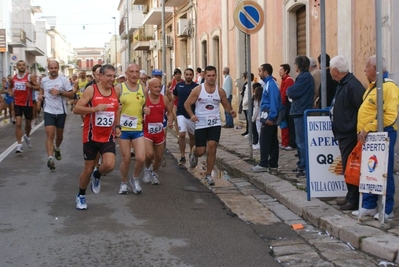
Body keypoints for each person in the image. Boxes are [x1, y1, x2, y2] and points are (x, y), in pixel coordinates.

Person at [352, 55, 399, 219]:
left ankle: (387, 209)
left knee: (384, 170)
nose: (364, 70)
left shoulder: (388, 87)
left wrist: (368, 128)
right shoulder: (373, 87)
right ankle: (369, 205)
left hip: (383, 134)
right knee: (368, 171)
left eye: (367, 67)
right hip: (368, 136)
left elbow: (390, 116)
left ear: (376, 69)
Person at [73, 64, 120, 210]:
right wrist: (94, 109)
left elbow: (117, 110)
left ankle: (98, 174)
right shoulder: (91, 90)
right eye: (109, 76)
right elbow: (76, 109)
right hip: (91, 136)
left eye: (114, 76)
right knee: (87, 169)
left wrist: (117, 126)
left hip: (108, 136)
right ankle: (81, 195)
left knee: (110, 165)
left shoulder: (115, 91)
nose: (112, 79)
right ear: (100, 76)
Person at [184, 65, 236, 185]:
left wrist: (230, 111)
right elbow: (187, 103)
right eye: (209, 76)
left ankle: (208, 174)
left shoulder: (220, 91)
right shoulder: (198, 90)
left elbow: (226, 104)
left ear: (216, 76)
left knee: (212, 147)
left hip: (215, 122)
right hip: (201, 123)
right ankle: (194, 152)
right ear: (204, 76)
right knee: (201, 151)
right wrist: (192, 115)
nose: (211, 78)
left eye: (213, 75)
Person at [328, 55, 365, 211]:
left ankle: (353, 199)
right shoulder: (343, 84)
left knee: (351, 167)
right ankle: (350, 196)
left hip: (349, 133)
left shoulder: (352, 85)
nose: (330, 72)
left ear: (335, 70)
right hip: (343, 132)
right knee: (347, 166)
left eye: (330, 69)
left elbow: (361, 109)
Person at [115, 63, 147, 195]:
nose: (134, 75)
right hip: (123, 129)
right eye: (132, 72)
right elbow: (113, 107)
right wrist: (116, 125)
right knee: (126, 159)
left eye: (137, 72)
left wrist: (146, 110)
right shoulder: (119, 88)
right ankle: (123, 182)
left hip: (137, 127)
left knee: (141, 158)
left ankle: (134, 178)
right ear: (126, 74)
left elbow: (144, 106)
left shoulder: (143, 88)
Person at [39, 60, 75, 170]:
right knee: (50, 135)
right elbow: (41, 88)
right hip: (48, 111)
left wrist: (59, 93)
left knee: (59, 136)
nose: (53, 70)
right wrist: (41, 95)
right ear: (48, 69)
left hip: (61, 112)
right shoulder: (44, 80)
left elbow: (72, 94)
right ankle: (50, 158)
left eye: (55, 68)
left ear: (58, 68)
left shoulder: (63, 80)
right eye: (51, 68)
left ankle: (57, 148)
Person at [251, 64, 283, 172]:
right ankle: (273, 163)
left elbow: (274, 101)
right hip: (266, 114)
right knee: (273, 140)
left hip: (269, 116)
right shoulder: (268, 83)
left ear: (265, 72)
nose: (259, 73)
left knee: (264, 140)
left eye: (260, 71)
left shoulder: (271, 84)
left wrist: (271, 117)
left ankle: (263, 163)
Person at [287, 56, 314, 177]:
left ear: (298, 65)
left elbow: (291, 91)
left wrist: (289, 90)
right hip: (299, 110)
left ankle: (304, 166)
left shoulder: (304, 77)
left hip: (301, 110)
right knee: (299, 141)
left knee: (301, 141)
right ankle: (301, 164)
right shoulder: (302, 77)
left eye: (295, 64)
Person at [143, 78, 173, 184]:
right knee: (149, 154)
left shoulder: (164, 98)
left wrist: (170, 121)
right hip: (147, 132)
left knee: (159, 156)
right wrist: (143, 111)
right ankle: (147, 169)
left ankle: (154, 173)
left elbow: (169, 112)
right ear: (149, 88)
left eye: (159, 86)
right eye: (155, 87)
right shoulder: (144, 99)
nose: (158, 89)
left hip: (159, 132)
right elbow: (137, 112)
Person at [8, 60, 40, 153]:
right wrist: (10, 92)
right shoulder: (13, 78)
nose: (21, 66)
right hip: (17, 103)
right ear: (17, 67)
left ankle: (27, 136)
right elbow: (10, 87)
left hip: (28, 104)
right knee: (18, 123)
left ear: (25, 66)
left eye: (23, 65)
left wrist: (30, 86)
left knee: (28, 124)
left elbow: (38, 87)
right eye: (19, 65)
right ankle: (19, 145)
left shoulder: (30, 77)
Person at [173, 68, 198, 166]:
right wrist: (172, 110)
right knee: (182, 134)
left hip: (192, 115)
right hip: (181, 113)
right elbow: (173, 97)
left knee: (192, 136)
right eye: (187, 74)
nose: (188, 76)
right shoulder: (179, 85)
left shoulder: (196, 87)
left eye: (190, 74)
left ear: (193, 76)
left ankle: (191, 153)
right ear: (184, 75)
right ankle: (182, 156)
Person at [278, 64, 296, 150]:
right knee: (285, 125)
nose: (279, 71)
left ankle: (291, 143)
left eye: (281, 70)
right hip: (284, 105)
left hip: (288, 106)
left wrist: (281, 105)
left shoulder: (288, 80)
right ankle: (285, 142)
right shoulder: (283, 80)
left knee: (289, 125)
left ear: (286, 71)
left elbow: (285, 94)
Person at [167, 68, 183, 137]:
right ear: (174, 75)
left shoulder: (183, 82)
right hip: (174, 103)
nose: (178, 76)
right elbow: (166, 90)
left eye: (179, 74)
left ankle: (182, 132)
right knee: (176, 119)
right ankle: (178, 134)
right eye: (176, 74)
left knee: (181, 119)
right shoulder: (171, 82)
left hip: (181, 102)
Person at [251, 84, 262, 150]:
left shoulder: (256, 100)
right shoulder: (262, 100)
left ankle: (259, 144)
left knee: (259, 132)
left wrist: (253, 118)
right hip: (262, 117)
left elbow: (256, 110)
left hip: (258, 118)